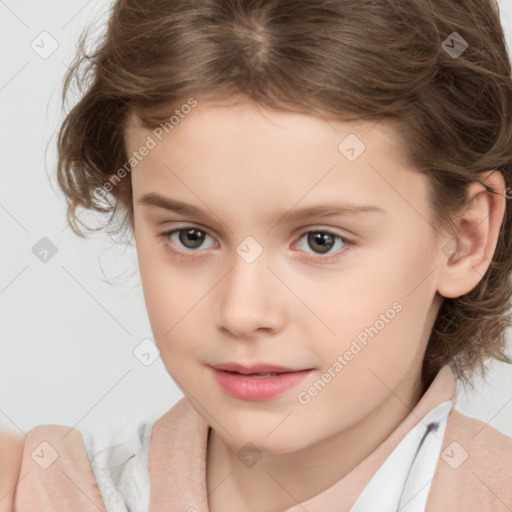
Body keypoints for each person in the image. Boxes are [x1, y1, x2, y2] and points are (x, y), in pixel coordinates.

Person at [10, 0, 512, 510]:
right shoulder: (32, 490)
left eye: (321, 241)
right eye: (190, 236)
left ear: (464, 238)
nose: (242, 312)